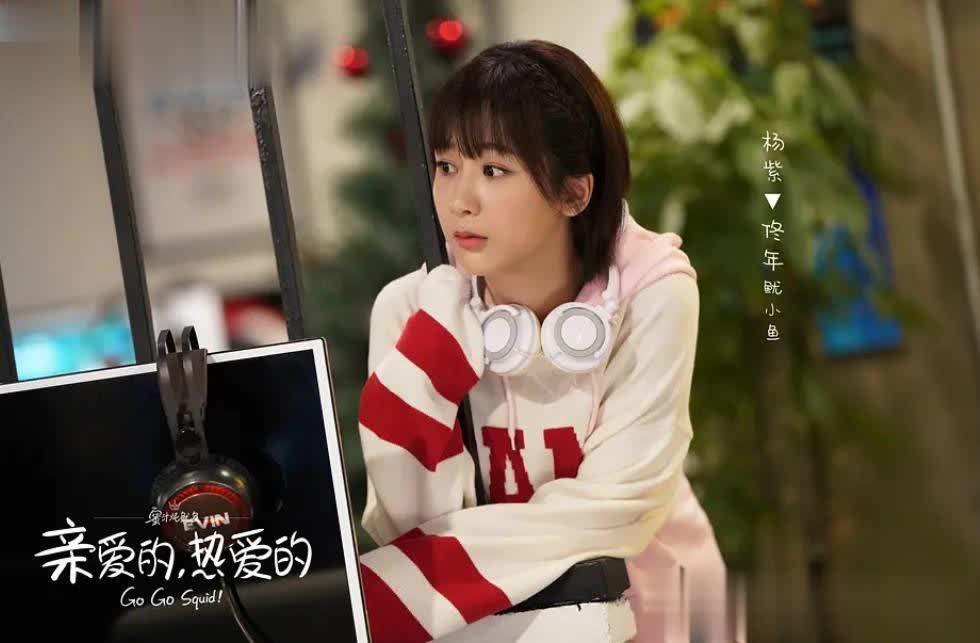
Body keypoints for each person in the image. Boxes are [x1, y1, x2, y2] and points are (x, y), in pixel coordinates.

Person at [355, 39, 728, 643]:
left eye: (493, 171)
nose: (459, 201)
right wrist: (432, 361)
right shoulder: (410, 311)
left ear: (573, 192)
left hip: (655, 605)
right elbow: (409, 523)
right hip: (491, 624)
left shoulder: (654, 293)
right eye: (446, 166)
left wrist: (412, 580)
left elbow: (620, 508)